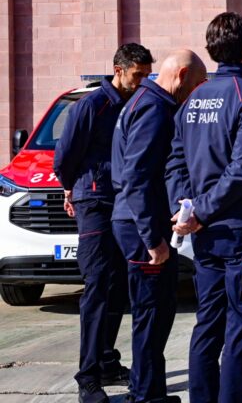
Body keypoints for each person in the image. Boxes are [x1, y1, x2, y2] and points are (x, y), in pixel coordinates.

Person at [166, 13, 242, 403]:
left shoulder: (194, 97)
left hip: (205, 235)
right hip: (239, 232)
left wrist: (187, 208)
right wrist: (199, 211)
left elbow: (174, 160)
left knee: (208, 323)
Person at [53, 43, 154, 403]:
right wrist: (73, 189)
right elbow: (64, 157)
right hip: (95, 201)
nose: (142, 80)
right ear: (118, 68)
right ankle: (88, 378)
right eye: (137, 74)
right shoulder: (92, 106)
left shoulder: (137, 104)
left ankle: (108, 362)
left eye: (146, 74)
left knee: (117, 287)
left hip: (123, 203)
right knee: (97, 285)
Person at [111, 50, 207, 403]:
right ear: (181, 75)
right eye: (196, 84)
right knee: (152, 316)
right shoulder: (155, 108)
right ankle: (146, 397)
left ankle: (146, 391)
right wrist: (153, 240)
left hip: (134, 221)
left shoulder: (142, 100)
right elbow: (136, 177)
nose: (196, 93)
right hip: (141, 227)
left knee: (155, 313)